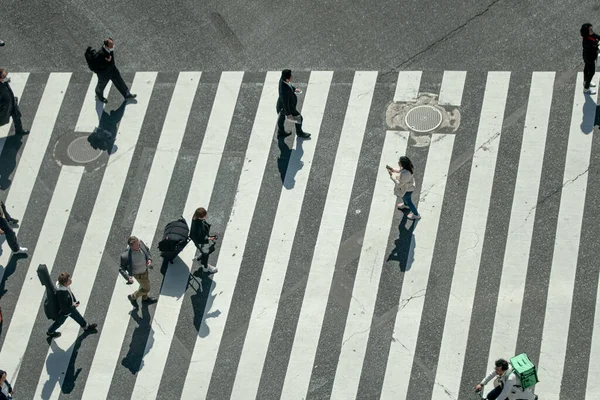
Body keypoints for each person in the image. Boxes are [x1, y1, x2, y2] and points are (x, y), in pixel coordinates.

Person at [46, 272, 97, 338]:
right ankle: (50, 332)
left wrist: (74, 301)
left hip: (70, 308)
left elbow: (70, 293)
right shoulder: (62, 293)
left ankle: (86, 327)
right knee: (59, 322)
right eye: (69, 280)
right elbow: (64, 308)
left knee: (78, 317)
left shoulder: (64, 287)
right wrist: (73, 306)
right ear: (65, 283)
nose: (71, 281)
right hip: (66, 312)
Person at [93, 38, 137, 103]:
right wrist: (107, 62)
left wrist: (111, 63)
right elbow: (98, 66)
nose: (113, 46)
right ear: (106, 46)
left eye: (113, 44)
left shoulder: (110, 49)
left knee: (120, 82)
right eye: (111, 45)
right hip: (104, 74)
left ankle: (127, 94)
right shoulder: (100, 54)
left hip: (113, 70)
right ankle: (99, 95)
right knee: (101, 85)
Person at [120, 236, 157, 307]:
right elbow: (121, 269)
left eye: (138, 243)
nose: (139, 245)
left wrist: (149, 259)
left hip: (145, 270)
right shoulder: (125, 256)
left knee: (145, 285)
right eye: (137, 245)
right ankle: (132, 297)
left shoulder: (141, 244)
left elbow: (147, 251)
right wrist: (128, 278)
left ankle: (145, 299)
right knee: (146, 288)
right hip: (138, 274)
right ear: (131, 246)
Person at [276, 69, 310, 139]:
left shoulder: (282, 79)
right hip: (287, 107)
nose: (292, 76)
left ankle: (281, 131)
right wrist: (289, 114)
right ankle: (299, 133)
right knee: (299, 117)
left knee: (282, 117)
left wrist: (294, 89)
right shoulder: (284, 91)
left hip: (281, 105)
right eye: (290, 76)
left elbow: (289, 85)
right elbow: (285, 103)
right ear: (287, 79)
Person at [387, 156, 420, 220]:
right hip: (406, 188)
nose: (398, 162)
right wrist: (393, 169)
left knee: (409, 201)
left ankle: (416, 214)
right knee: (404, 197)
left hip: (407, 189)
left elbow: (399, 184)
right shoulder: (408, 168)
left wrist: (392, 176)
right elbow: (400, 170)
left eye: (399, 162)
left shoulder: (406, 174)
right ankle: (405, 205)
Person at [0, 68, 29, 135]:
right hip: (4, 107)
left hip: (11, 103)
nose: (5, 77)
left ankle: (19, 130)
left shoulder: (4, 82)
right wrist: (5, 105)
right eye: (3, 76)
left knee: (17, 116)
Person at [189, 207, 218, 274]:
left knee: (211, 249)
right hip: (201, 242)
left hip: (200, 240)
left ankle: (199, 259)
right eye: (204, 216)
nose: (205, 217)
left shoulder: (195, 218)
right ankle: (205, 267)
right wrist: (210, 238)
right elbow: (200, 238)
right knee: (206, 253)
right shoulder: (197, 226)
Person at [581, 23, 600, 94]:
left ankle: (585, 81)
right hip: (589, 58)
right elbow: (594, 46)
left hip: (590, 57)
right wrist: (597, 44)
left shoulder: (590, 35)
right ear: (586, 31)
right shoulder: (587, 40)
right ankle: (586, 88)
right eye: (590, 30)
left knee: (586, 69)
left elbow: (596, 36)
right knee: (591, 72)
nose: (592, 30)